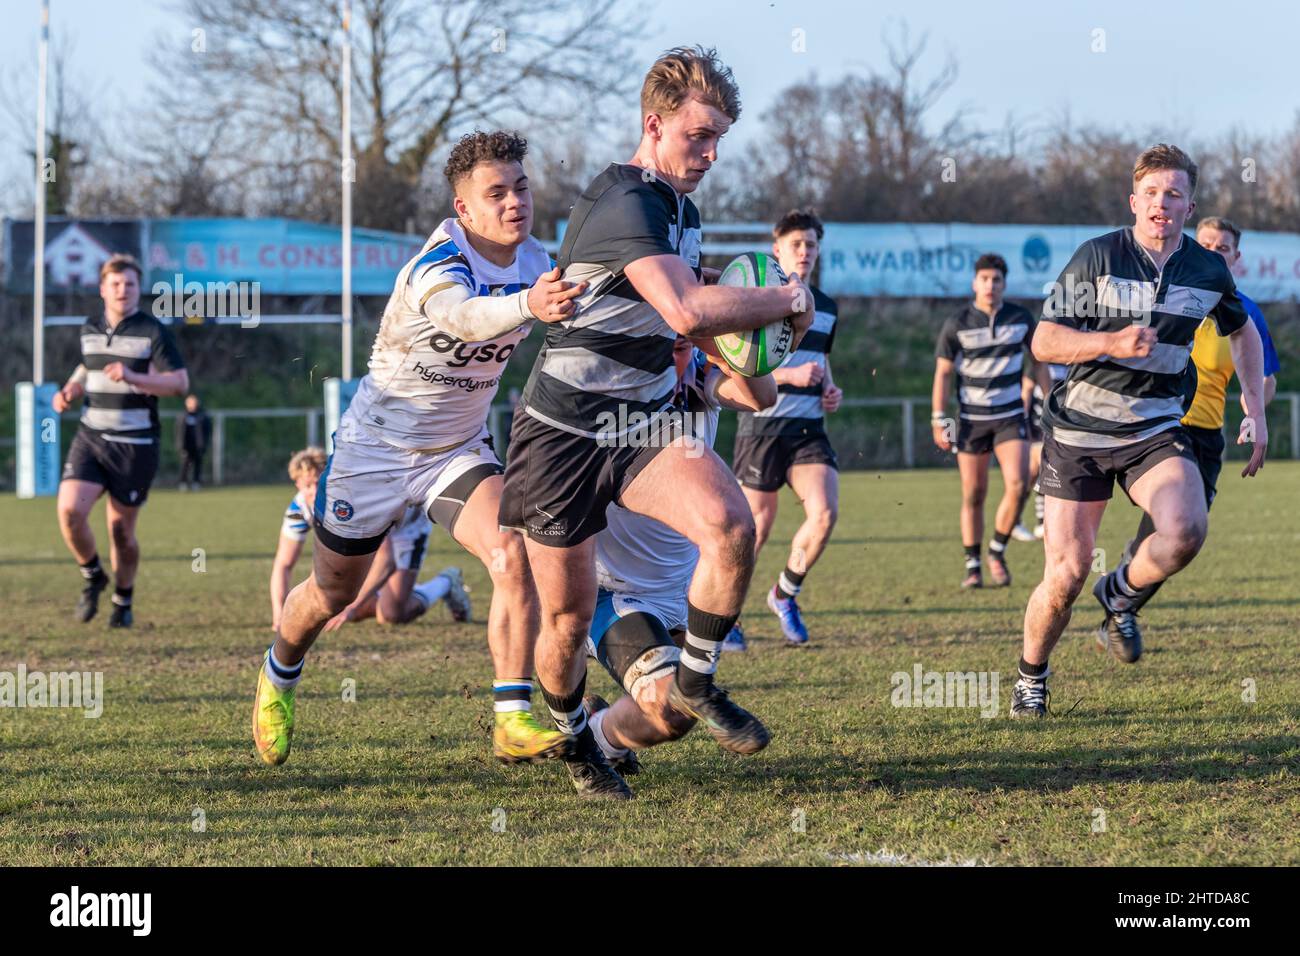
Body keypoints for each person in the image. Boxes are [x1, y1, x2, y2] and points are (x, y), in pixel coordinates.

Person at [498, 46, 814, 799]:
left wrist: (756, 355)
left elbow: (696, 333)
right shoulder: (627, 201)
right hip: (563, 434)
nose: (709, 153)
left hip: (640, 426)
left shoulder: (684, 215)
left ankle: (697, 681)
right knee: (568, 621)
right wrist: (786, 302)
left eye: (719, 140)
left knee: (731, 526)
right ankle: (576, 741)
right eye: (698, 136)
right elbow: (682, 309)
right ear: (655, 124)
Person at [252, 130, 588, 767]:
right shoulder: (439, 265)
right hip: (372, 452)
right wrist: (529, 304)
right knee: (333, 594)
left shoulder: (535, 258)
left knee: (511, 550)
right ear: (463, 209)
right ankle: (278, 674)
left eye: (521, 188)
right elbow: (462, 318)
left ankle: (511, 716)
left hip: (455, 450)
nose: (515, 202)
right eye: (496, 194)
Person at [1011, 144, 1268, 717]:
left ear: (1188, 205)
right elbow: (1045, 340)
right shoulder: (1098, 257)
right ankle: (1032, 675)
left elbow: (1242, 330)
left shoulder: (1206, 268)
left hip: (1152, 428)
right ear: (1134, 201)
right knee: (1067, 574)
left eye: (1173, 194)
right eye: (1151, 193)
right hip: (1078, 434)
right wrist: (1108, 341)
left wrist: (1254, 403)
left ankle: (1120, 593)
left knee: (1185, 530)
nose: (1161, 203)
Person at [586, 337, 776, 770]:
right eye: (663, 347)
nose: (673, 360)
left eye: (682, 348)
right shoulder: (607, 392)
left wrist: (724, 338)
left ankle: (601, 735)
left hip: (688, 589)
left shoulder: (701, 382)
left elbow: (761, 395)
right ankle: (584, 731)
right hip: (613, 591)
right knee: (665, 700)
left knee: (674, 717)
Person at [1102, 215, 1282, 660]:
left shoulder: (1245, 312)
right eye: (1206, 244)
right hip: (1152, 426)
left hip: (1203, 438)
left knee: (1177, 539)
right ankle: (1115, 603)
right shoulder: (1164, 297)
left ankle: (1120, 601)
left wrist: (1252, 413)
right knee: (1171, 528)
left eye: (1223, 249)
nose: (1213, 253)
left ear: (1235, 260)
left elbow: (1264, 376)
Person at [52, 253, 188, 629]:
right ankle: (93, 575)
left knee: (121, 532)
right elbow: (88, 365)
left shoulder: (153, 331)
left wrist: (132, 376)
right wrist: (72, 387)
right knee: (69, 512)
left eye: (129, 284)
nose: (122, 290)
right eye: (115, 284)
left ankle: (122, 599)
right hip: (91, 436)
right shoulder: (90, 326)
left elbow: (179, 383)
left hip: (135, 444)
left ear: (137, 288)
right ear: (102, 288)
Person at [727, 209, 841, 650]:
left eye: (811, 244)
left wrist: (830, 388)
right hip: (761, 427)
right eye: (796, 244)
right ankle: (727, 616)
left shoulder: (826, 306)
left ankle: (784, 593)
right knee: (754, 527)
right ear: (778, 250)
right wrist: (790, 378)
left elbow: (821, 359)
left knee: (825, 513)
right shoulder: (758, 300)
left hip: (808, 427)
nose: (805, 252)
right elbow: (740, 364)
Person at [931, 254, 1048, 588]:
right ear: (974, 283)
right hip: (970, 421)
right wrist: (939, 419)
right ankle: (973, 565)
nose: (990, 285)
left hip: (1011, 417)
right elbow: (942, 373)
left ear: (1004, 284)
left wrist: (1051, 400)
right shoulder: (957, 323)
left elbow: (1039, 362)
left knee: (1018, 483)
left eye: (996, 280)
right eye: (984, 279)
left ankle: (997, 549)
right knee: (974, 493)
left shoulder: (1021, 318)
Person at [269, 448, 469, 634]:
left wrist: (352, 607)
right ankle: (379, 599)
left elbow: (386, 560)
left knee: (392, 614)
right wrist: (280, 616)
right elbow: (283, 564)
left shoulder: (350, 501)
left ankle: (446, 582)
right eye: (307, 486)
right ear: (297, 485)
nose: (314, 490)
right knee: (343, 601)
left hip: (406, 530)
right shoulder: (299, 509)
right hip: (379, 533)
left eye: (318, 481)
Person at [176, 394, 212, 491]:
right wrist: (180, 445)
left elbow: (207, 431)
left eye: (194, 402)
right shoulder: (183, 416)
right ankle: (183, 483)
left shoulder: (202, 416)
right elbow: (178, 432)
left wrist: (204, 444)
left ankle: (196, 483)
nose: (192, 404)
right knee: (185, 465)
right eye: (190, 402)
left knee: (198, 465)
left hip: (198, 445)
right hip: (186, 445)